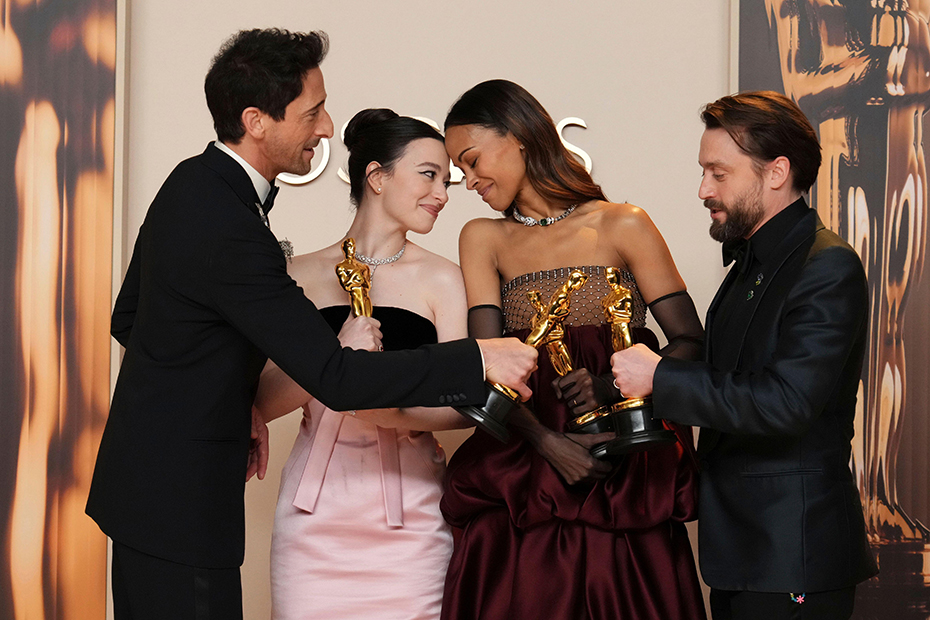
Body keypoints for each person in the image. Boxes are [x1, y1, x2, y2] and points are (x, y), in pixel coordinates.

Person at [84, 30, 536, 620]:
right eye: (313, 112)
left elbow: (132, 319)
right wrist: (477, 359)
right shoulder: (233, 226)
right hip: (181, 505)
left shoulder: (191, 184)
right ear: (257, 120)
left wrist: (229, 400)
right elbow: (339, 378)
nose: (326, 129)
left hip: (155, 496)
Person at [440, 79, 707, 620]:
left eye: (471, 161)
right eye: (458, 171)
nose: (467, 182)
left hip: (624, 469)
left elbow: (691, 343)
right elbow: (487, 365)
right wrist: (546, 442)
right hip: (526, 468)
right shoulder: (482, 237)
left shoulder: (622, 223)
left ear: (517, 136)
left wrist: (612, 387)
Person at [611, 91, 878, 620]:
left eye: (719, 173)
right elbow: (726, 380)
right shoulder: (748, 268)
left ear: (776, 172)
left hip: (793, 559)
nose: (703, 189)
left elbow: (786, 403)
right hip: (744, 553)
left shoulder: (828, 267)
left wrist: (661, 377)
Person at [253, 108, 472, 620]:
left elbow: (466, 404)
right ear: (377, 176)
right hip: (313, 519)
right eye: (428, 175)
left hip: (411, 517)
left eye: (446, 180)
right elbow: (260, 402)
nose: (442, 192)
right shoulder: (297, 275)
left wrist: (388, 413)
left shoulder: (444, 279)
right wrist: (336, 360)